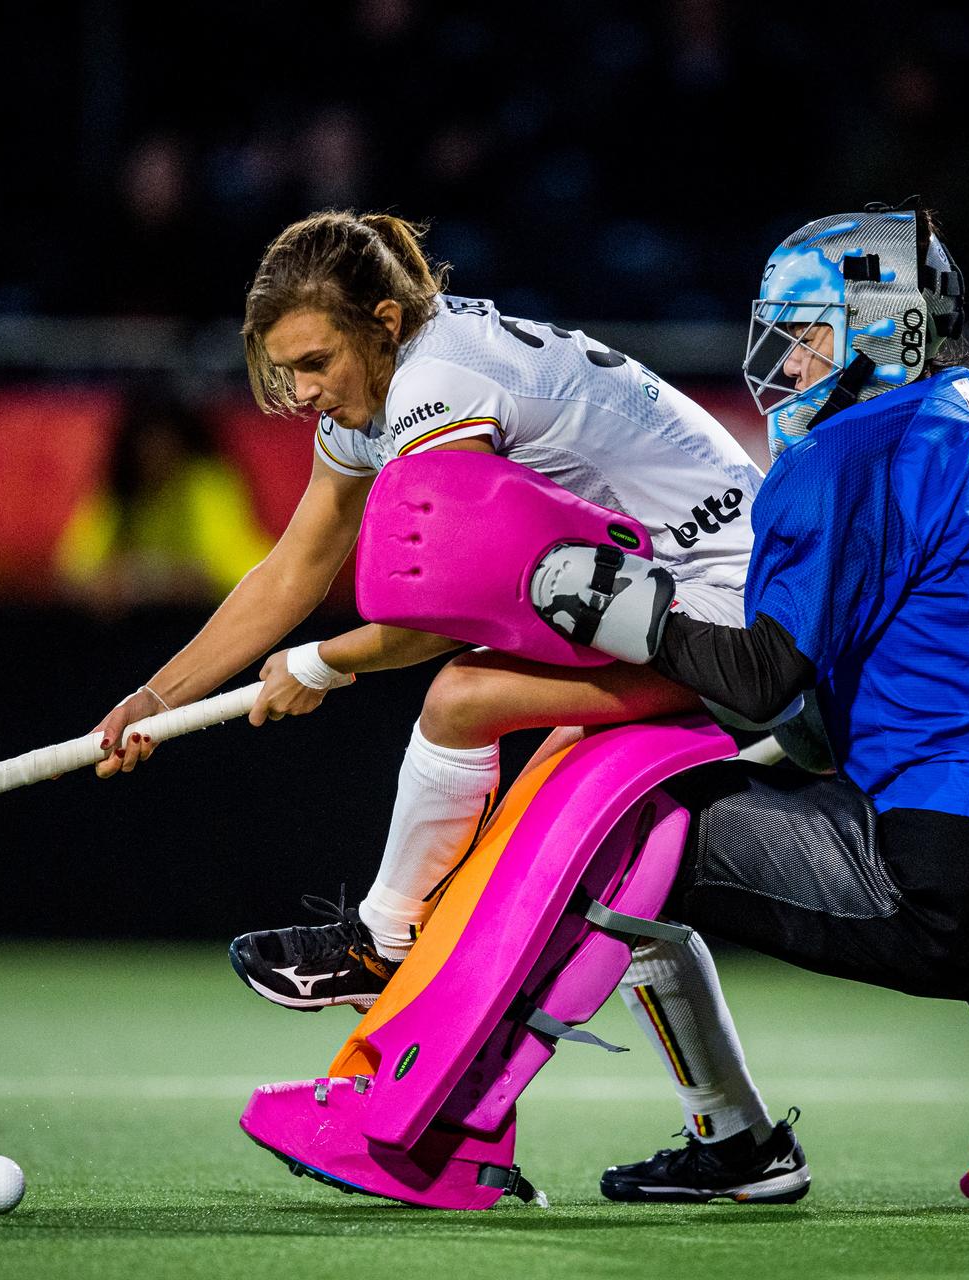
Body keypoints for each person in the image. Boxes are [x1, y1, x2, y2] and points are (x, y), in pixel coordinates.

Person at [92, 210, 810, 1202]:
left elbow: (452, 604)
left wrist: (323, 665)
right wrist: (153, 695)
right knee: (623, 867)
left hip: (730, 614)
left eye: (315, 361)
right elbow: (297, 562)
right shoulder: (384, 383)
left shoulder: (438, 384)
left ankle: (383, 941)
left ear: (382, 320)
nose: (303, 392)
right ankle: (741, 1142)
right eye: (286, 370)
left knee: (463, 693)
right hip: (654, 601)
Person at [533, 204, 969, 1173]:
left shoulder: (842, 450)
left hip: (963, 852)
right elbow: (823, 713)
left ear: (887, 331)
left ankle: (729, 1138)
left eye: (810, 335)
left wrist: (632, 612)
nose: (786, 362)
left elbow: (761, 679)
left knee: (628, 821)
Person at [54, 388, 272, 610]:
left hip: (202, 620)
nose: (156, 456)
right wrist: (111, 581)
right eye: (147, 446)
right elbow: (75, 568)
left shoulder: (206, 484)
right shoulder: (120, 489)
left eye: (164, 444)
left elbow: (244, 567)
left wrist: (185, 578)